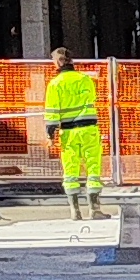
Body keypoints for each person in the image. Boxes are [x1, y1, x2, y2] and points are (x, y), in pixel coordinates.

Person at [41, 49, 107, 218]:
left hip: (69, 132)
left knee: (70, 170)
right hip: (90, 130)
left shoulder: (55, 84)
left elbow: (51, 115)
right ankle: (95, 209)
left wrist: (50, 136)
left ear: (57, 63)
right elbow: (92, 99)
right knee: (93, 168)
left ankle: (75, 210)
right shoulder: (86, 80)